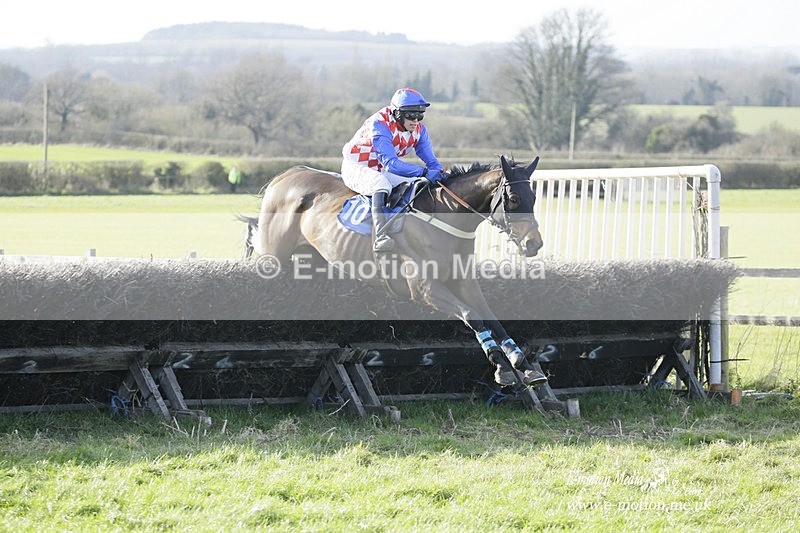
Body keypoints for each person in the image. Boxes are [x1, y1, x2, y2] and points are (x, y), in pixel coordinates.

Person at [341, 87, 445, 253]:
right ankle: (381, 236)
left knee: (418, 183)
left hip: (380, 167)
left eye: (420, 115)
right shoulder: (380, 124)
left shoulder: (419, 130)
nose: (416, 120)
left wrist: (439, 173)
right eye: (411, 115)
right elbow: (390, 164)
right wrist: (424, 172)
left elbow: (431, 161)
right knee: (380, 184)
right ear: (397, 113)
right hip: (357, 166)